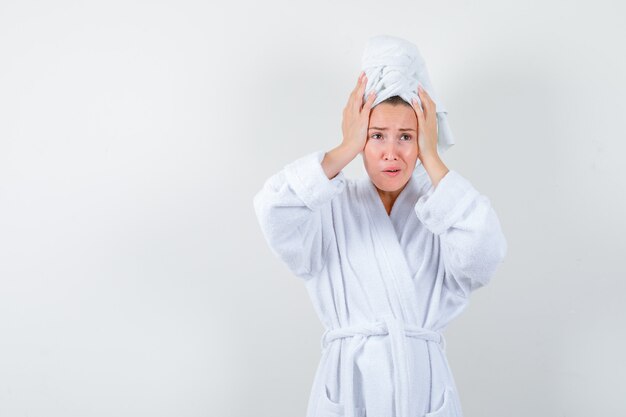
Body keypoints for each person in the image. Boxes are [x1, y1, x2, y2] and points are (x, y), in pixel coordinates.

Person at [253, 71, 507, 417]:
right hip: (348, 387)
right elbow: (272, 209)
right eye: (376, 136)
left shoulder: (442, 213)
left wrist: (431, 158)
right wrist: (344, 148)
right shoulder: (327, 207)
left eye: (406, 136)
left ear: (424, 140)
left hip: (422, 390)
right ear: (359, 139)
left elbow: (484, 254)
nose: (392, 153)